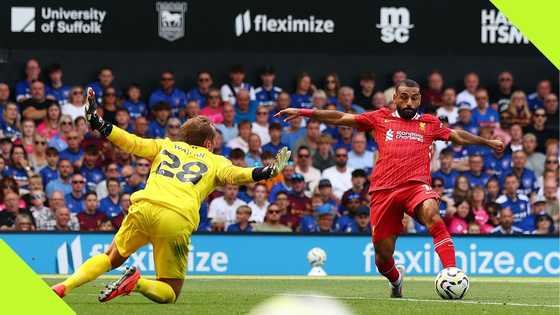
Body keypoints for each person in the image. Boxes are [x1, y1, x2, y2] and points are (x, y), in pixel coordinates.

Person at [52, 89, 291, 303]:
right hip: (176, 217)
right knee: (170, 292)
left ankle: (64, 286)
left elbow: (131, 142)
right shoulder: (215, 160)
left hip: (144, 207)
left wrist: (100, 123)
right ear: (208, 143)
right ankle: (138, 282)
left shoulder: (165, 146)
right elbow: (237, 175)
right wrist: (267, 171)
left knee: (111, 257)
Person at [275, 79, 504, 298]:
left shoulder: (429, 123)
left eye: (414, 98)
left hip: (416, 187)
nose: (409, 103)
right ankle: (396, 280)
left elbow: (457, 136)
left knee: (433, 214)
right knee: (383, 259)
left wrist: (487, 142)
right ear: (395, 97)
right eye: (403, 97)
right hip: (384, 192)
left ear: (420, 99)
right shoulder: (380, 118)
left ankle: (451, 272)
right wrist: (304, 112)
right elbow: (341, 117)